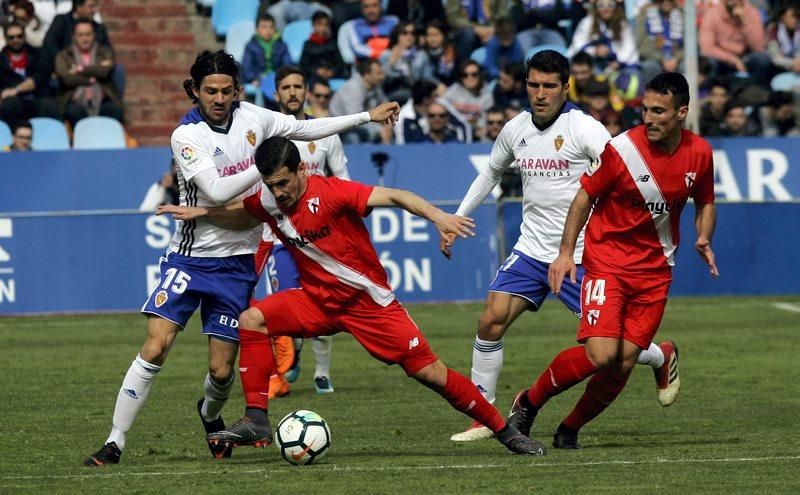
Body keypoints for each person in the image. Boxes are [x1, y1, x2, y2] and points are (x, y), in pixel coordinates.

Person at [83, 49, 400, 467]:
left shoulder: (255, 117)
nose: (218, 98)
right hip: (190, 258)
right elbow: (215, 191)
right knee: (156, 347)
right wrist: (267, 157)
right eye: (209, 91)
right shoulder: (186, 136)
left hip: (238, 263)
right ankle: (115, 441)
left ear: (237, 91)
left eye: (226, 91)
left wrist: (365, 117)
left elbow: (305, 128)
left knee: (220, 372)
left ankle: (210, 415)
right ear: (194, 91)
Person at [158, 135, 549, 457]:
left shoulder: (332, 193)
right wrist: (204, 213)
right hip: (315, 301)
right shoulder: (268, 199)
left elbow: (395, 196)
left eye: (284, 182)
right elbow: (242, 212)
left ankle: (505, 431)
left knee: (431, 373)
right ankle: (256, 417)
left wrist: (439, 217)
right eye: (271, 185)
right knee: (252, 320)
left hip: (369, 306)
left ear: (301, 169)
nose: (279, 192)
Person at [444, 50, 677, 443]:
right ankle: (483, 415)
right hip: (533, 250)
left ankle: (659, 354)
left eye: (549, 86)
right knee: (490, 320)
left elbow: (622, 175)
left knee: (614, 350)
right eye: (533, 84)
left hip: (584, 256)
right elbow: (490, 172)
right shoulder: (515, 128)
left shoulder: (586, 130)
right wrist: (457, 217)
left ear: (565, 87)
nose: (540, 93)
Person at [510, 72, 717, 450]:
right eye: (645, 110)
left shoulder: (700, 153)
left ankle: (569, 429)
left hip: (656, 272)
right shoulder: (621, 149)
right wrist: (564, 253)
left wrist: (704, 236)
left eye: (659, 111)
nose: (650, 118)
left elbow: (705, 200)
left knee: (622, 362)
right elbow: (583, 198)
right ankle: (528, 402)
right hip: (607, 264)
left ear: (682, 112)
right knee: (601, 354)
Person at [258, 66, 352, 396]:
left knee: (324, 303)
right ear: (277, 93)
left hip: (320, 234)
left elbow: (342, 178)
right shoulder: (266, 139)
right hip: (280, 236)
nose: (293, 92)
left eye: (299, 85)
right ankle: (292, 351)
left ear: (307, 91)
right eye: (286, 87)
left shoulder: (325, 132)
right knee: (287, 302)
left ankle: (322, 374)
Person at [54, 19, 123, 126]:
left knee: (114, 109)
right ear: (74, 37)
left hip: (102, 99)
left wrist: (80, 69)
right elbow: (67, 78)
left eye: (88, 34)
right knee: (73, 112)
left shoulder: (104, 52)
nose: (85, 39)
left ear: (94, 35)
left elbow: (104, 72)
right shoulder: (64, 55)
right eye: (80, 35)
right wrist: (91, 78)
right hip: (74, 99)